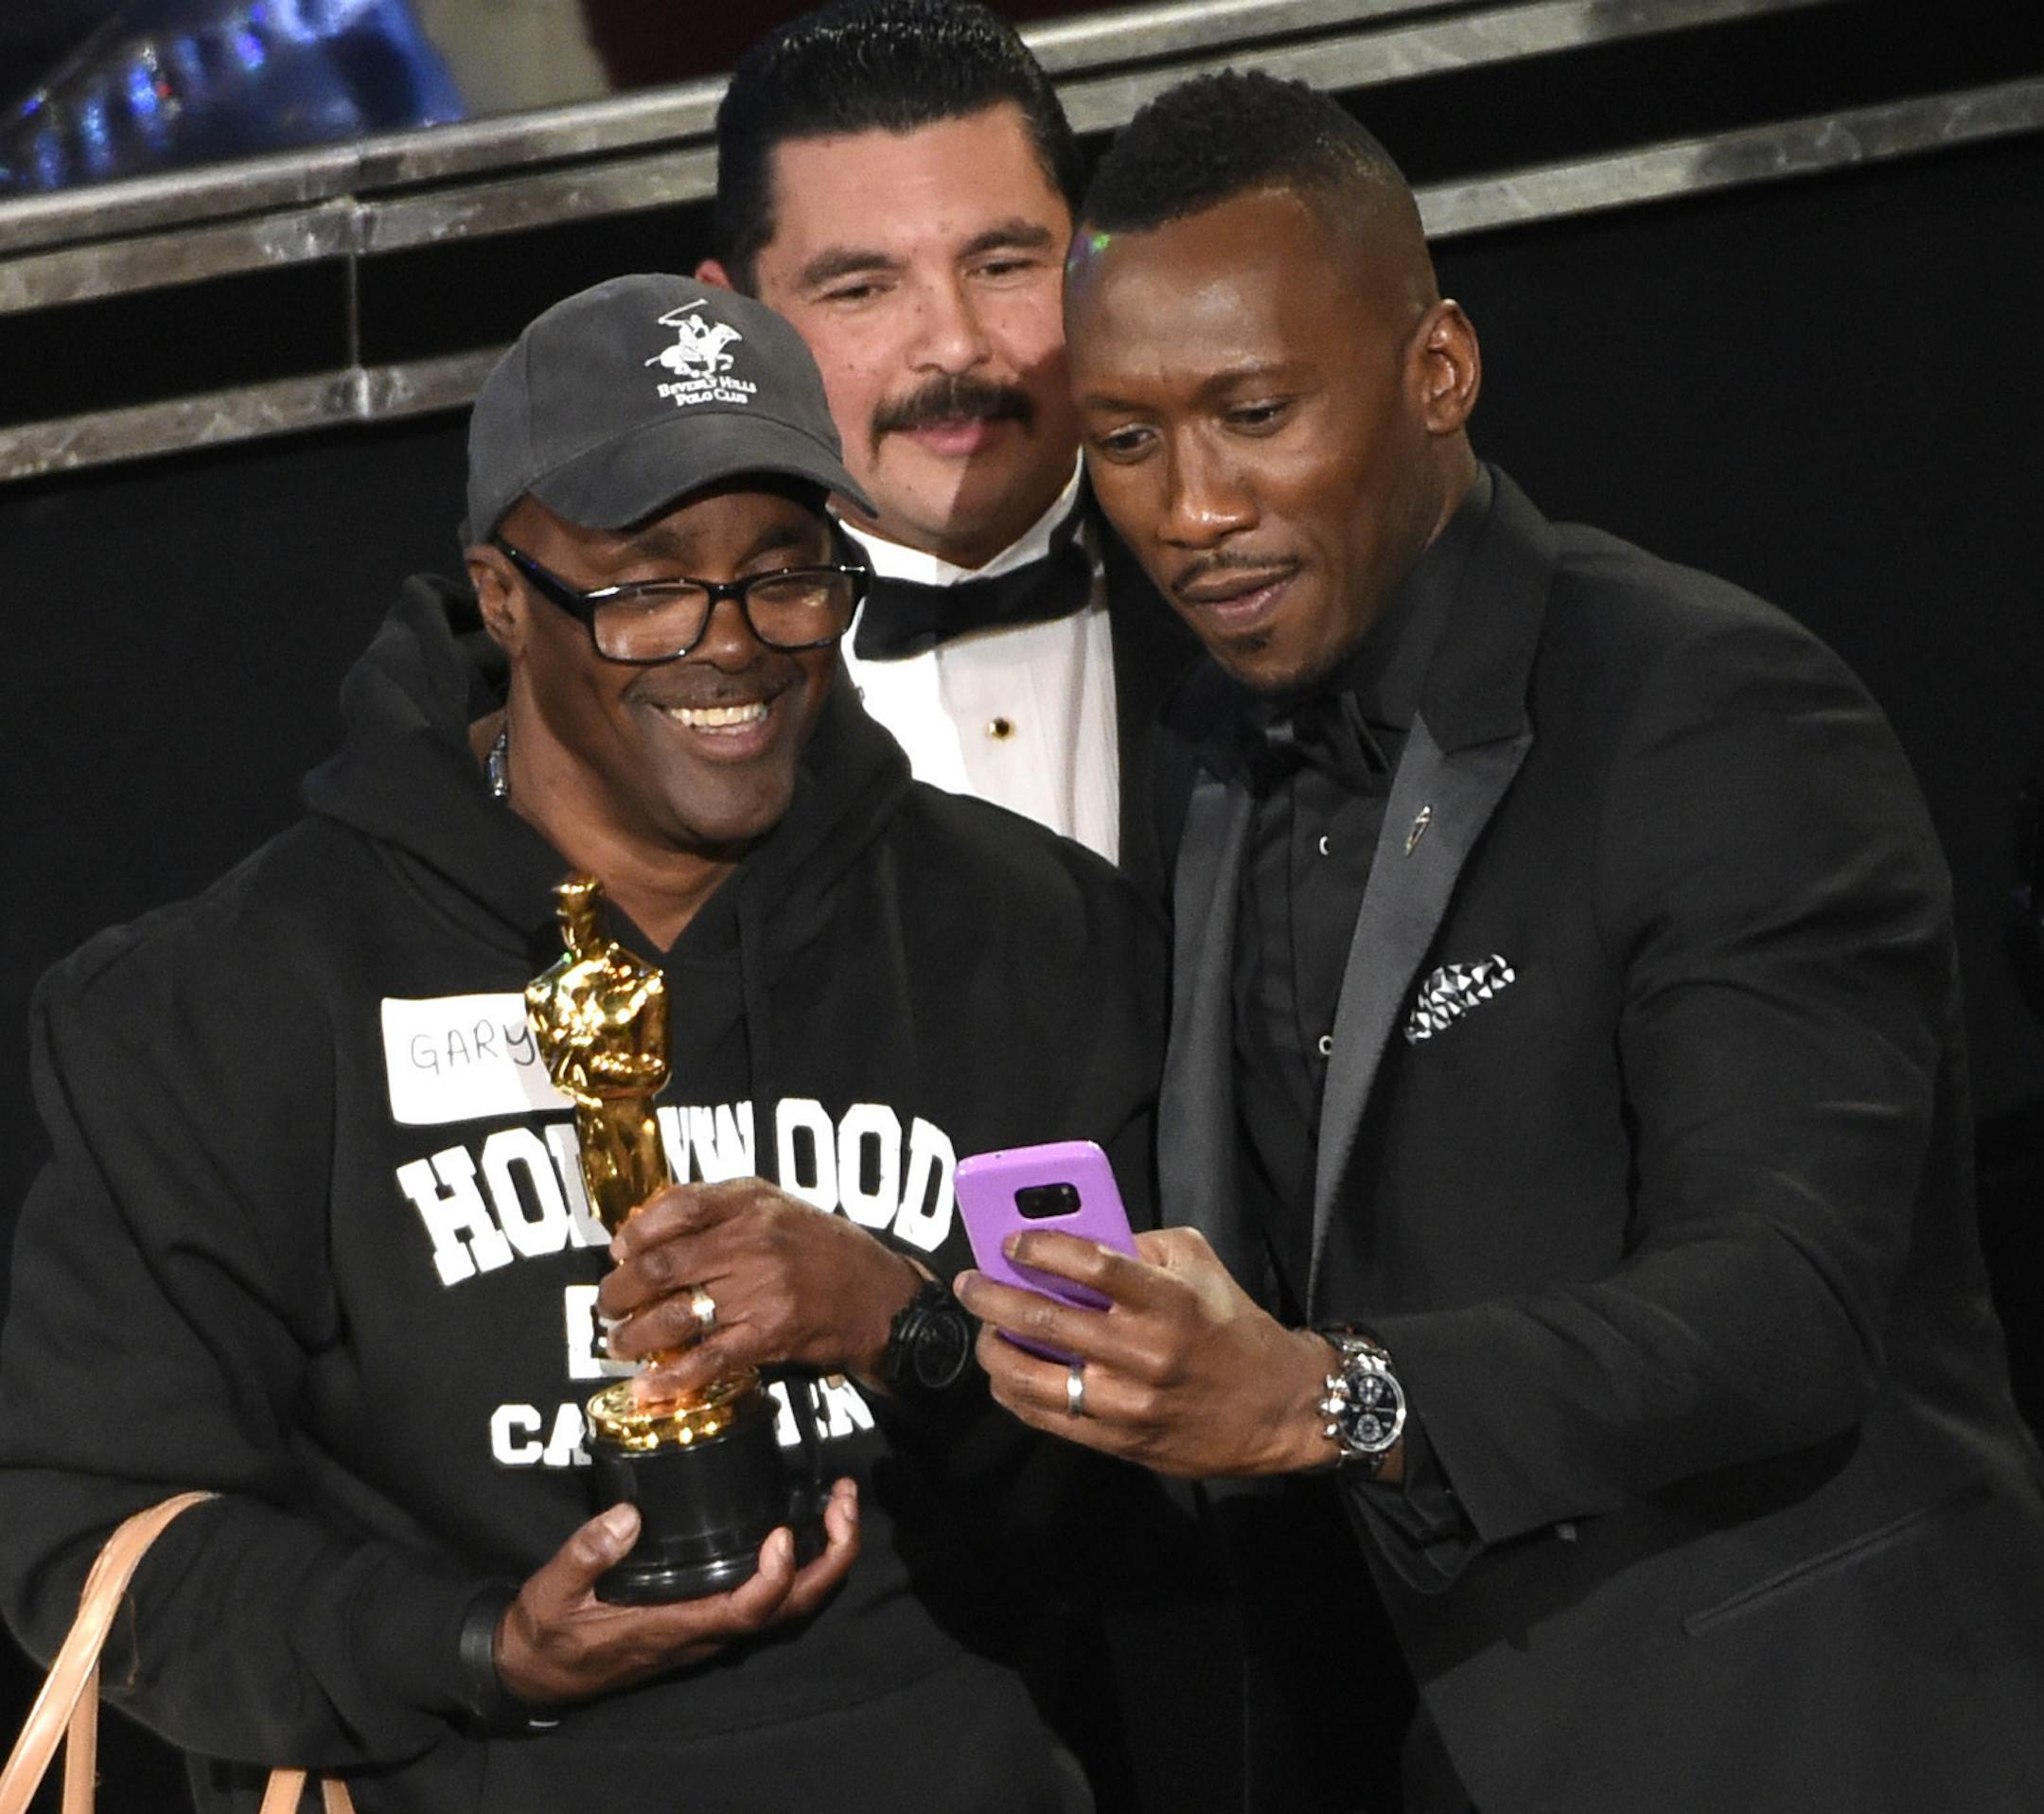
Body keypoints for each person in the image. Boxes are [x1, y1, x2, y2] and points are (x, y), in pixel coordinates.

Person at [958, 72, 2044, 1814]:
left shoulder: (1708, 707)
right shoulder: (1211, 744)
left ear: (1439, 371)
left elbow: (1786, 1301)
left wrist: (1332, 1397)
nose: (1191, 508)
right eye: (1128, 439)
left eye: (1254, 412)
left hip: (1801, 1734)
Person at [0, 273, 1165, 1812]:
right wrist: (476, 1645)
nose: (731, 646)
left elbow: (1162, 1503)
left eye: (785, 574)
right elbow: (87, 1528)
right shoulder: (233, 999)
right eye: (647, 588)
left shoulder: (1035, 937)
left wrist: (913, 1327)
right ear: (501, 596)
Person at [700, 0, 1196, 893]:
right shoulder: (671, 688)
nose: (956, 346)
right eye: (861, 289)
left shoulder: (1257, 584)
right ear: (735, 322)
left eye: (1001, 266)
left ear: (1096, 257)